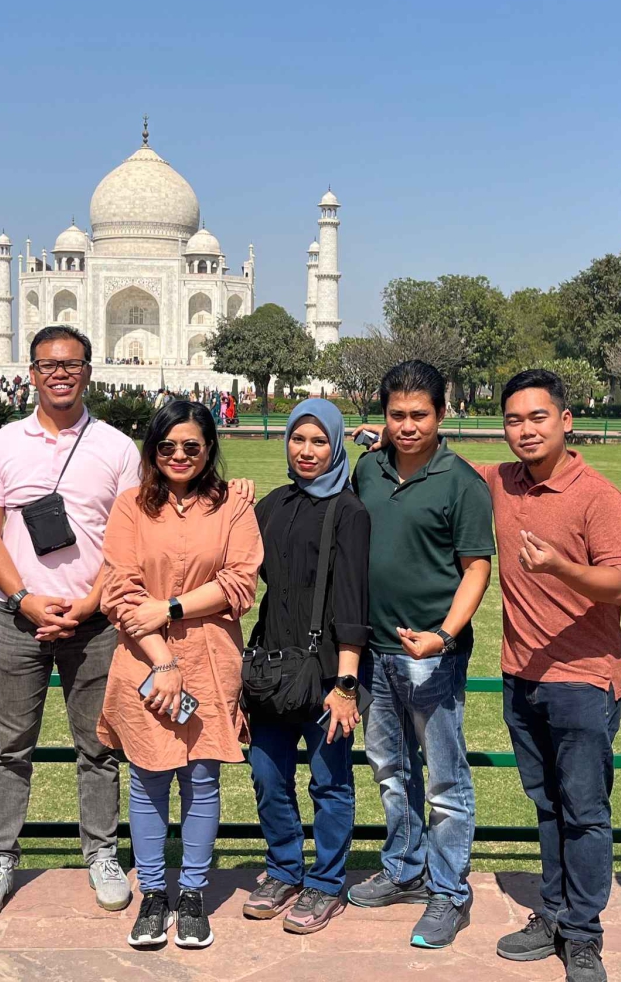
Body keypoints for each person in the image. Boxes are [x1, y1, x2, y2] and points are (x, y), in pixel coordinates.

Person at [0, 325, 142, 920]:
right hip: (19, 618)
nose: (60, 373)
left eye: (70, 364)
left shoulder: (116, 448)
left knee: (98, 746)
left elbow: (127, 541)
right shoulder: (2, 446)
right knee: (12, 744)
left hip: (95, 621)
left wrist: (91, 603)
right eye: (48, 364)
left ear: (88, 371)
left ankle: (101, 851)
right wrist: (25, 600)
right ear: (32, 373)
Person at [479, 370, 621, 982]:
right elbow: (441, 461)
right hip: (521, 674)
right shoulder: (502, 481)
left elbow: (618, 585)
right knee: (547, 804)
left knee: (585, 811)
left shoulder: (598, 496)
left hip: (583, 680)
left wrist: (560, 567)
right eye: (514, 420)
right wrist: (388, 435)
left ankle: (583, 933)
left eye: (537, 417)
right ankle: (554, 912)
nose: (525, 430)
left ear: (565, 421)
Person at [97, 400, 262, 950]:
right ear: (153, 450)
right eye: (167, 446)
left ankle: (192, 893)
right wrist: (163, 660)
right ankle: (153, 894)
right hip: (144, 659)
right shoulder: (130, 506)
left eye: (191, 445)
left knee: (201, 779)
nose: (179, 455)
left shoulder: (232, 506)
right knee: (148, 778)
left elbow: (240, 583)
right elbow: (120, 592)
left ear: (209, 448)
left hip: (211, 659)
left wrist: (169, 608)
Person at [347, 360, 494, 950]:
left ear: (441, 413)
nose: (408, 427)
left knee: (445, 779)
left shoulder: (461, 482)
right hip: (375, 649)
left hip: (431, 653)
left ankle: (449, 890)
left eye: (420, 415)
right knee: (390, 770)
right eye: (397, 415)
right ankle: (404, 868)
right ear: (383, 415)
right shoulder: (369, 469)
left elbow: (476, 568)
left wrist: (446, 635)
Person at [242, 399, 371, 934]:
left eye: (319, 441)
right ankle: (283, 869)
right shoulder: (273, 505)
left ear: (336, 445)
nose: (307, 451)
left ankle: (325, 883)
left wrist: (346, 684)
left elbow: (353, 602)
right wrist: (231, 502)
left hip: (327, 673)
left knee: (329, 782)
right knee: (266, 774)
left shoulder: (349, 511)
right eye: (299, 439)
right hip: (273, 665)